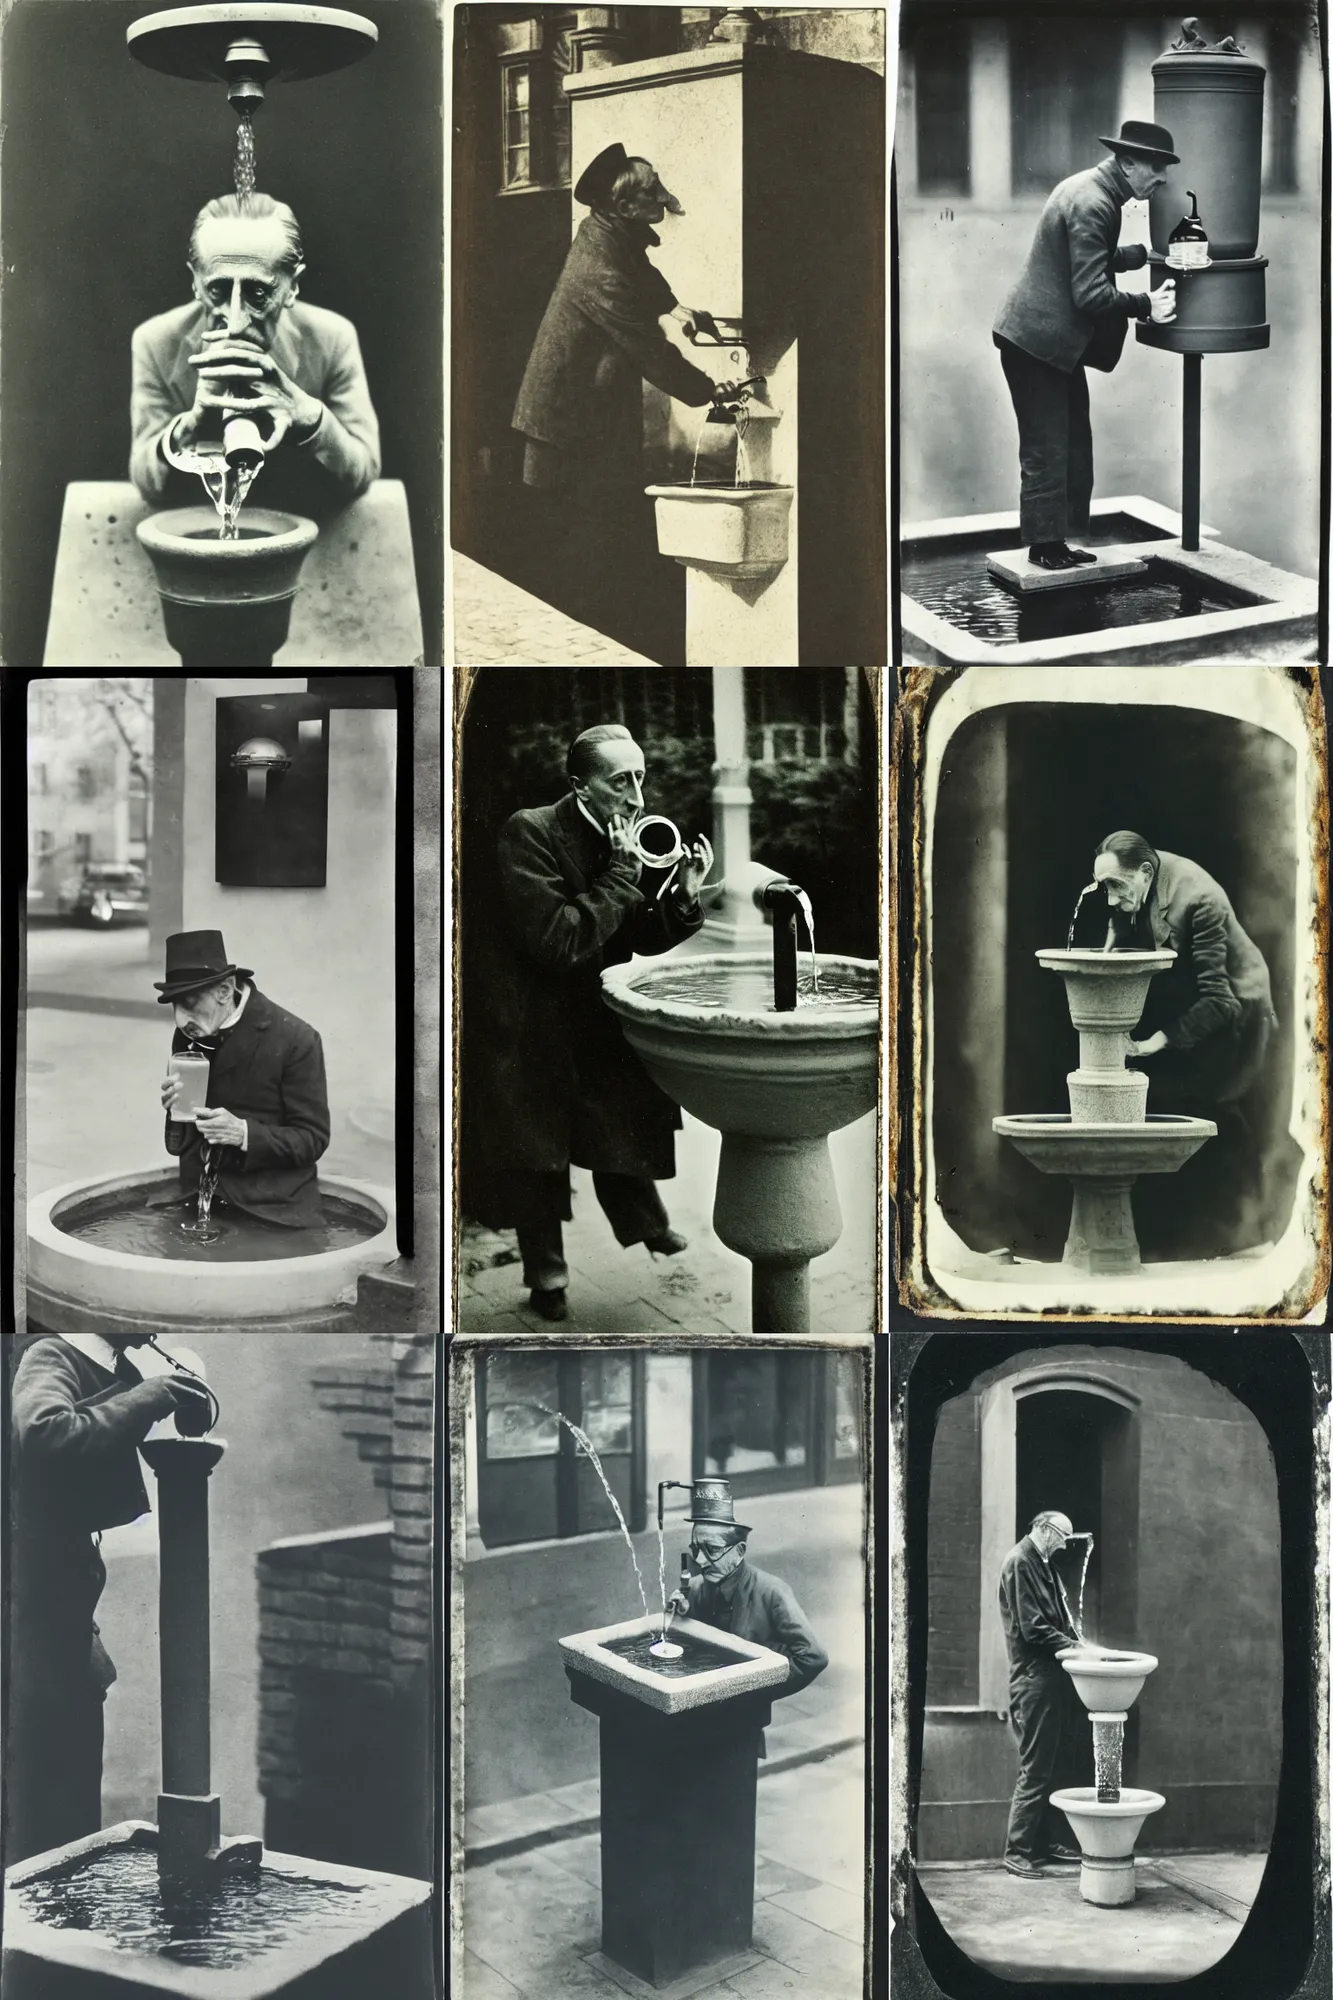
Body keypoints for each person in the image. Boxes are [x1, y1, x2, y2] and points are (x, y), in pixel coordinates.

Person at [463, 724, 711, 1322]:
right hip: (526, 1022)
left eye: (640, 778)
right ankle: (545, 1275)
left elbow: (635, 936)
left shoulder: (621, 837)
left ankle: (647, 1226)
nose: (639, 797)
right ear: (581, 785)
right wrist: (624, 874)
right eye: (621, 781)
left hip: (589, 1014)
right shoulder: (531, 831)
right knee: (537, 1155)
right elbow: (558, 940)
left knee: (615, 1118)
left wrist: (683, 895)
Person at [512, 143, 741, 653]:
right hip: (565, 423)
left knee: (599, 528)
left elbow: (641, 271)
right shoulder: (598, 265)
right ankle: (574, 645)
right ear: (623, 206)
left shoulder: (607, 234)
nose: (663, 197)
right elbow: (645, 348)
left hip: (587, 413)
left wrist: (678, 308)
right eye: (650, 192)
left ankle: (593, 627)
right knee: (583, 537)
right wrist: (709, 390)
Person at [7, 1332, 212, 1864]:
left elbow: (92, 1431)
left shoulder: (113, 1370)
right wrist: (150, 1395)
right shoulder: (50, 1354)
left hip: (69, 1656)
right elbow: (44, 1432)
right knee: (42, 1836)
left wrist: (152, 1395)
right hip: (34, 1655)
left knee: (71, 1827)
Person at [993, 121, 1180, 572]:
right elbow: (1091, 294)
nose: (1162, 179)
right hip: (1036, 345)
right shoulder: (1095, 202)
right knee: (1048, 446)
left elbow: (1085, 254)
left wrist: (1141, 256)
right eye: (1156, 168)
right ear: (1128, 162)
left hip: (1047, 344)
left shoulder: (1092, 189)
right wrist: (1145, 304)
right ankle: (1044, 550)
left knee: (1074, 441)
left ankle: (1056, 542)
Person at [130, 192, 380, 517]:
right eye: (217, 290)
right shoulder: (155, 342)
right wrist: (189, 426)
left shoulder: (332, 339)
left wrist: (310, 419)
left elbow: (361, 474)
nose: (235, 322)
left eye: (258, 292)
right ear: (195, 281)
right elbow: (147, 484)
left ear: (293, 286)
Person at [1091, 830, 1278, 1255]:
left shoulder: (1199, 898)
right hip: (1199, 1003)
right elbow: (1120, 917)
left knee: (1216, 1111)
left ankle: (1245, 1241)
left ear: (1144, 872)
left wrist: (1157, 1042)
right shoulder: (1138, 878)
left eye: (1115, 887)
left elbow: (1221, 1000)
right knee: (1183, 1108)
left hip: (1239, 1014)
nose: (1110, 899)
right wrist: (1104, 957)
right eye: (1102, 888)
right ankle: (1197, 1241)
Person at [151, 929, 331, 1231]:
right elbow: (180, 1145)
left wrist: (243, 1133)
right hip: (197, 1201)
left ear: (224, 991)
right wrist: (175, 1110)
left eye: (190, 1003)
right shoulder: (189, 1033)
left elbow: (313, 1140)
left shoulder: (296, 1039)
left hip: (270, 1210)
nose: (180, 1020)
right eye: (175, 1006)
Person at [998, 1509, 1106, 1878]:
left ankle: (1042, 1843)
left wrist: (1084, 1645)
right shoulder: (1020, 1562)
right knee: (1036, 1767)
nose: (1064, 1544)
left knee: (1048, 1765)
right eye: (1061, 1536)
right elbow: (1033, 1629)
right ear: (1043, 1530)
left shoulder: (1043, 1565)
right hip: (1033, 1681)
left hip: (1048, 1680)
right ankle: (1017, 1850)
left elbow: (1061, 1623)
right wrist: (1079, 1650)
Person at [666, 1482, 828, 1712]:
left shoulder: (771, 1592)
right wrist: (677, 1618)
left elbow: (812, 1657)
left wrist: (756, 1691)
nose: (700, 1561)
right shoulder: (693, 1588)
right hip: (698, 1716)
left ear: (740, 1551)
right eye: (695, 1550)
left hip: (745, 1726)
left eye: (711, 1550)